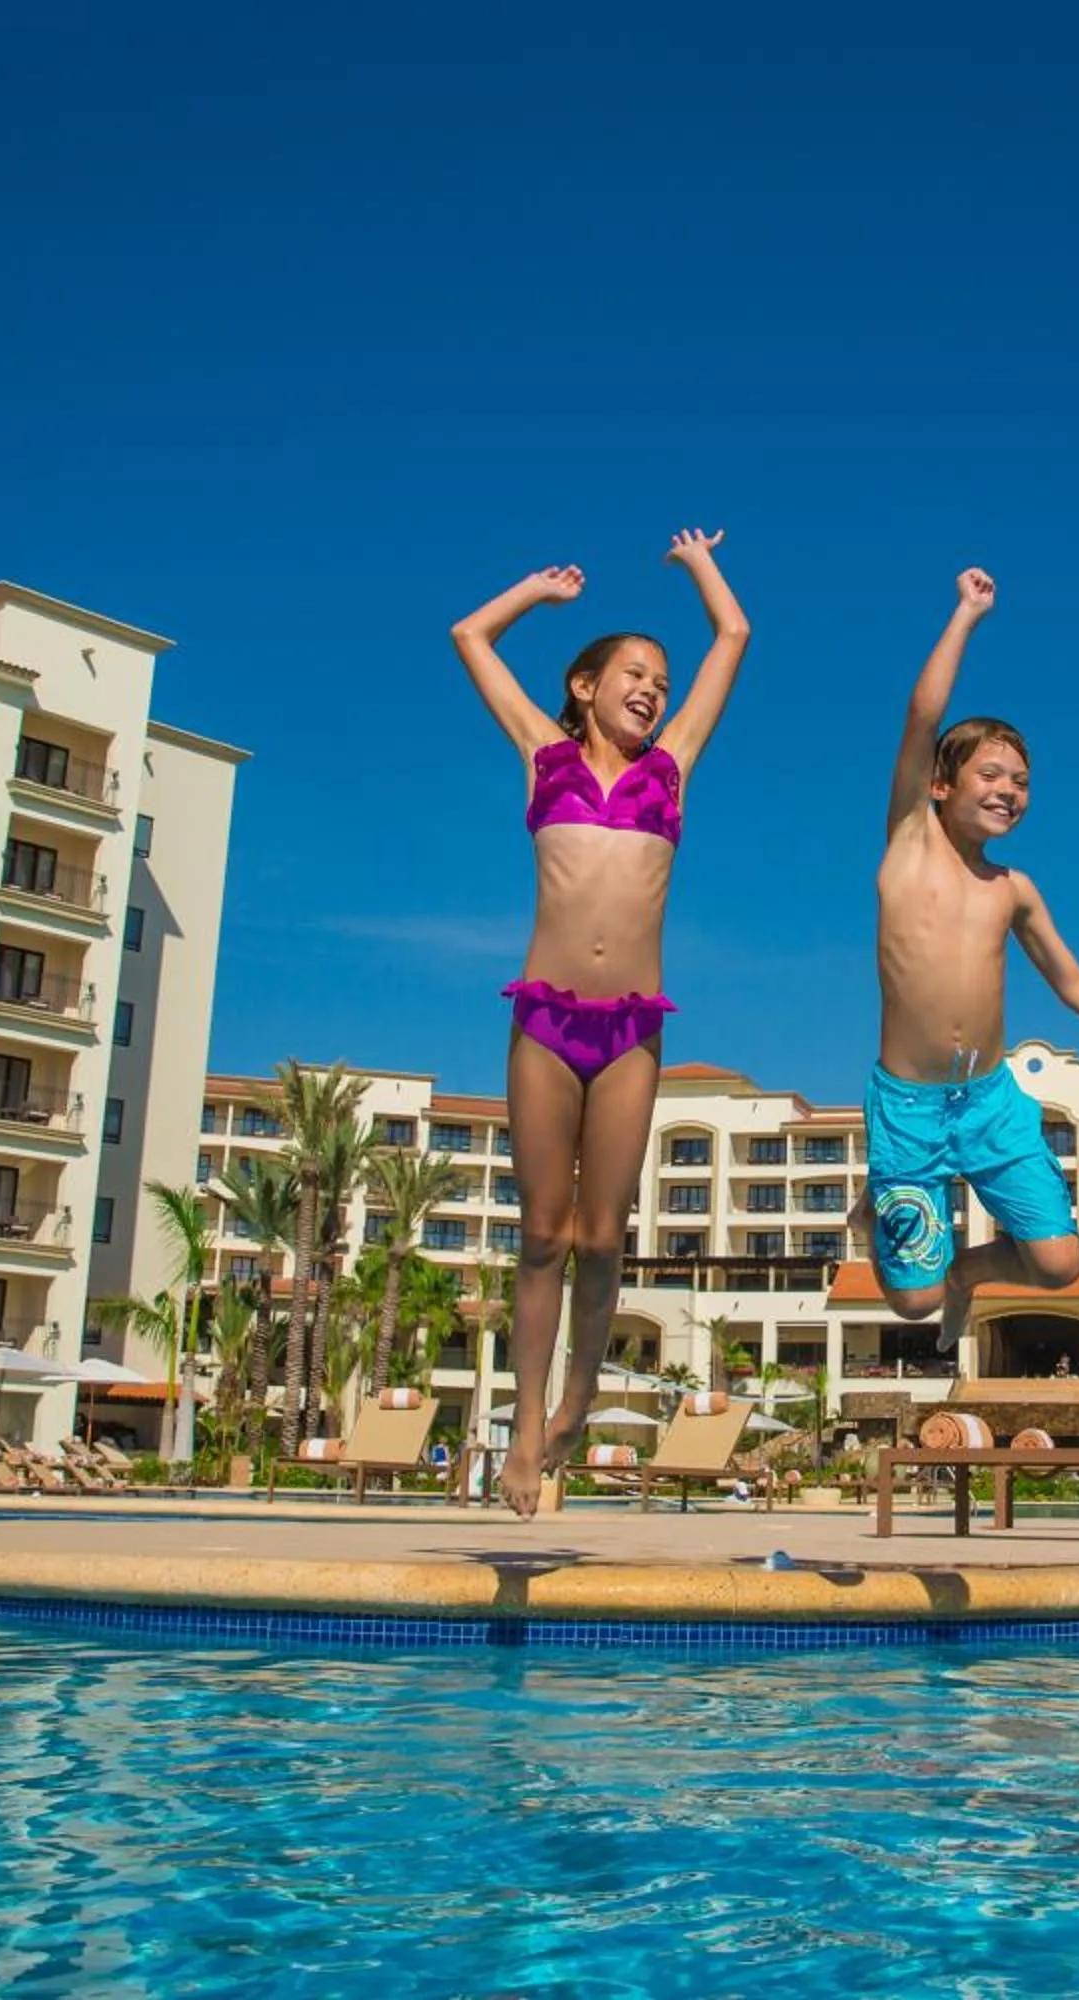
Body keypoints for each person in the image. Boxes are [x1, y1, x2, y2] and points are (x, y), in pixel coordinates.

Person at [450, 531, 751, 1515]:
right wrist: (536, 589)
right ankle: (528, 1433)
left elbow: (735, 632)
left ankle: (579, 1392)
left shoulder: (674, 766)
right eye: (633, 672)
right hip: (545, 1017)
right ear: (584, 686)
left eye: (660, 680)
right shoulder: (543, 755)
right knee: (541, 1233)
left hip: (631, 1026)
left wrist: (701, 564)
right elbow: (469, 635)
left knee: (602, 1232)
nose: (653, 690)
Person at [866, 568, 1079, 1353]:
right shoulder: (908, 844)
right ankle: (901, 1227)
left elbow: (1074, 983)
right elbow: (923, 714)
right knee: (912, 1304)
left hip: (989, 1103)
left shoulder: (1013, 889)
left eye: (1022, 781)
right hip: (909, 1112)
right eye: (990, 774)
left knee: (1059, 1264)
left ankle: (967, 1273)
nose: (1009, 790)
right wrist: (965, 615)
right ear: (940, 784)